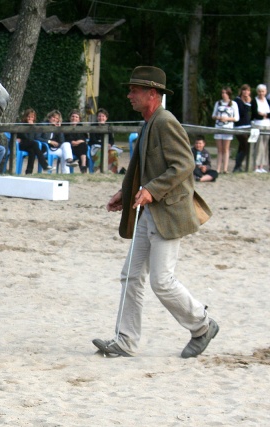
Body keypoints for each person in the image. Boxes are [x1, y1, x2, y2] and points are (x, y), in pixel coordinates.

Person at [92, 66, 217, 359]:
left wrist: (152, 190)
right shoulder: (149, 122)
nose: (129, 95)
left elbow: (184, 165)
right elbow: (143, 168)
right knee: (131, 276)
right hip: (149, 210)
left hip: (168, 212)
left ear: (152, 94)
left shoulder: (165, 122)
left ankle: (202, 325)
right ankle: (125, 340)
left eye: (134, 90)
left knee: (162, 281)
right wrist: (125, 194)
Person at [211, 86, 239, 173]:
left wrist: (227, 119)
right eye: (222, 93)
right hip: (218, 127)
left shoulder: (233, 104)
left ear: (229, 94)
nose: (224, 95)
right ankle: (218, 168)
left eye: (225, 93)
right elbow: (213, 116)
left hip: (228, 128)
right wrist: (218, 117)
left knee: (226, 149)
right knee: (219, 149)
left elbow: (236, 118)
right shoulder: (218, 103)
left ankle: (225, 168)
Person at [17, 108, 52, 174]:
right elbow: (28, 138)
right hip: (20, 144)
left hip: (29, 144)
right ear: (25, 117)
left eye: (32, 117)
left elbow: (32, 138)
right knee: (35, 144)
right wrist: (31, 127)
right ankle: (45, 165)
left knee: (32, 151)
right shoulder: (21, 125)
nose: (30, 118)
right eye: (28, 116)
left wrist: (32, 127)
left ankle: (29, 172)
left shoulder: (33, 126)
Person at [89, 108, 121, 173]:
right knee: (101, 152)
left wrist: (109, 144)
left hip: (108, 147)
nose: (101, 118)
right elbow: (93, 140)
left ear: (106, 118)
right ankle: (96, 170)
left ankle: (114, 171)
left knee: (113, 153)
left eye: (103, 116)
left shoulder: (109, 127)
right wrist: (104, 145)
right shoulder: (92, 126)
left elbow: (111, 140)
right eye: (99, 116)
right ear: (97, 117)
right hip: (96, 147)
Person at [250, 84, 270, 173]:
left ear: (265, 92)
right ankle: (255, 166)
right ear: (257, 92)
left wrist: (263, 114)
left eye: (263, 91)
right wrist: (263, 115)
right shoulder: (254, 101)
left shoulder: (268, 101)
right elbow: (255, 114)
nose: (261, 93)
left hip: (268, 126)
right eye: (259, 91)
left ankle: (262, 166)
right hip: (258, 125)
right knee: (258, 146)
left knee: (265, 146)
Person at [233, 84, 252, 172]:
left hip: (247, 126)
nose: (246, 92)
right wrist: (247, 104)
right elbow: (242, 112)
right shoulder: (237, 101)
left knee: (242, 147)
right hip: (239, 126)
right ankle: (237, 165)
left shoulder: (248, 101)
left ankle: (238, 165)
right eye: (244, 90)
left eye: (247, 90)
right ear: (241, 91)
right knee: (246, 145)